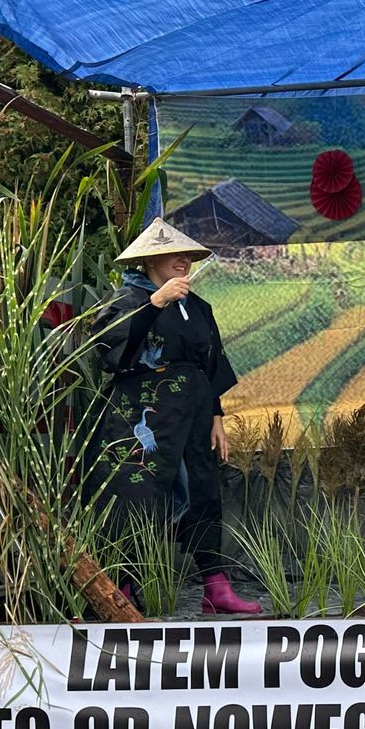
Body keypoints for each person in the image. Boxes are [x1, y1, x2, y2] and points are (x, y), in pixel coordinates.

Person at [87, 219, 261, 616]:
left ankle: (215, 587)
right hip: (142, 413)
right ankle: (122, 586)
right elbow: (110, 351)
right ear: (150, 260)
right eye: (173, 254)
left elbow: (209, 363)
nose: (183, 261)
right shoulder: (126, 301)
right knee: (133, 494)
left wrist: (216, 415)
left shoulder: (198, 307)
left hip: (194, 412)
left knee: (203, 490)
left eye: (186, 255)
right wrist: (155, 303)